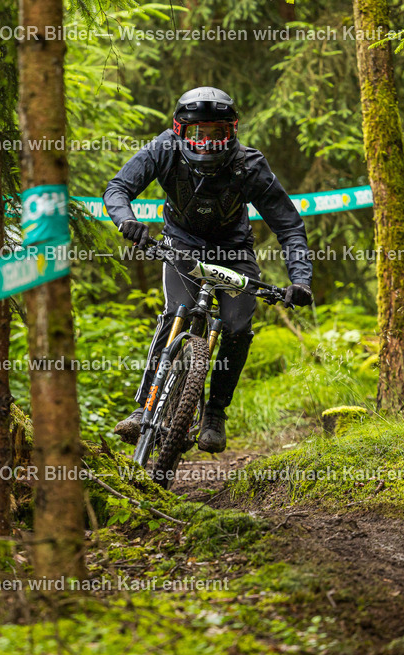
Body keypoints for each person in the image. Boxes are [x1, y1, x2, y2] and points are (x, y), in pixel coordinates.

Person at [104, 86, 313, 453]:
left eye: (217, 134)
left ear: (232, 132)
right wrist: (127, 221)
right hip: (182, 245)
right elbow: (119, 188)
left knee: (236, 326)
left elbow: (289, 225)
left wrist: (300, 279)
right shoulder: (164, 148)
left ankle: (215, 411)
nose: (208, 143)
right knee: (175, 314)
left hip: (234, 252)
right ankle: (144, 408)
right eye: (199, 133)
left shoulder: (250, 165)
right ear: (181, 131)